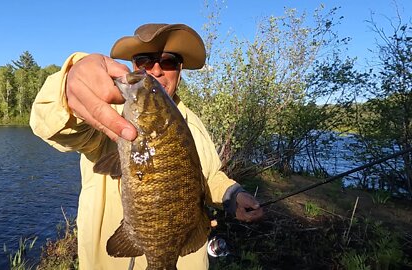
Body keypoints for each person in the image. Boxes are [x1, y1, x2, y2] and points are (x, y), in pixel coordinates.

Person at [30, 23, 263, 270]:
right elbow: (52, 126)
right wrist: (69, 86)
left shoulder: (193, 123)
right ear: (133, 67)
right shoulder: (106, 115)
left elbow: (210, 175)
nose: (155, 70)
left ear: (180, 69)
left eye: (168, 61)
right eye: (144, 61)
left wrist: (232, 195)